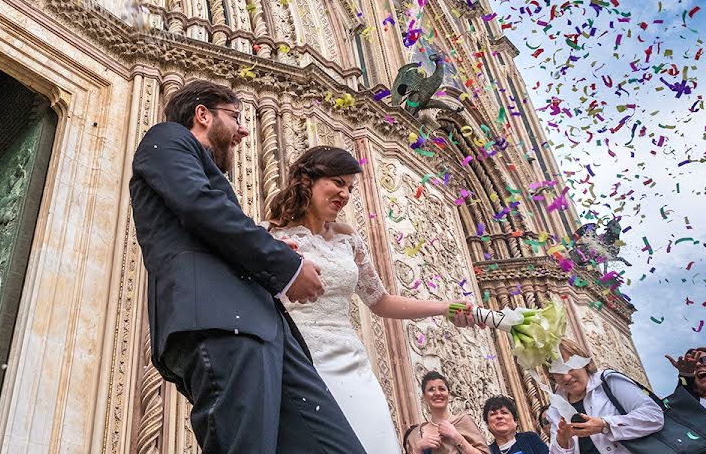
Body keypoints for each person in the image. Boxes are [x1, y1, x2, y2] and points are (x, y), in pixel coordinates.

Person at [129, 80, 367, 454]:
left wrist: (269, 246)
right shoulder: (167, 138)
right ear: (202, 114)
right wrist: (286, 265)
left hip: (268, 331)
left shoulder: (204, 172)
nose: (243, 129)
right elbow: (199, 206)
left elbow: (215, 224)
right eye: (236, 116)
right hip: (221, 320)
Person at [263, 146, 477, 453]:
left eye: (350, 187)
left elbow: (380, 301)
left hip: (350, 361)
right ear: (307, 181)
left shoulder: (347, 238)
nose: (345, 194)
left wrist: (444, 307)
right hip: (298, 359)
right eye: (338, 182)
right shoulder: (270, 236)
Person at [544, 339, 664, 454]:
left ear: (583, 363)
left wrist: (605, 425)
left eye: (570, 367)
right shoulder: (555, 409)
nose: (566, 377)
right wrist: (562, 441)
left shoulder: (608, 382)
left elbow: (654, 415)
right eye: (558, 372)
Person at [404, 371, 489, 454]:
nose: (437, 393)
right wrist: (418, 449)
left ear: (449, 394)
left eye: (442, 389)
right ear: (424, 397)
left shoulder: (463, 421)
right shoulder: (415, 435)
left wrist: (456, 436)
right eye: (431, 390)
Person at [483, 395, 548, 454]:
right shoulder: (487, 452)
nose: (499, 416)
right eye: (493, 414)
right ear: (487, 424)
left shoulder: (530, 439)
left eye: (504, 413)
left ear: (515, 421)